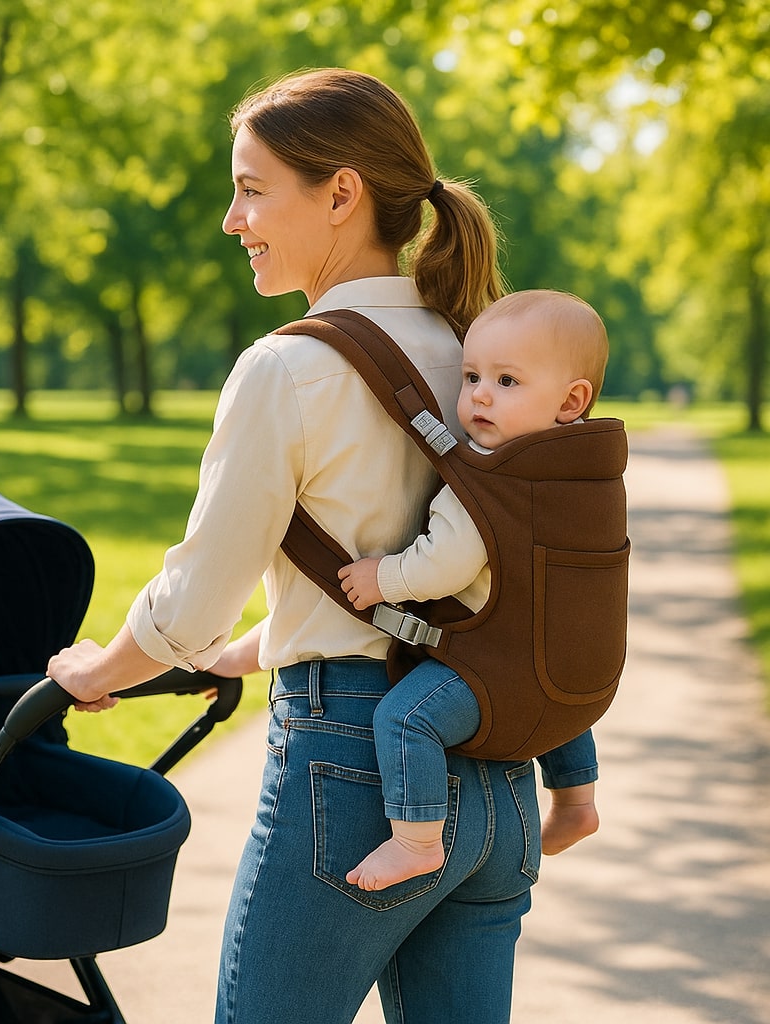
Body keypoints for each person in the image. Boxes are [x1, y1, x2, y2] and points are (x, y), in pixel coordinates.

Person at [47, 68, 569, 1024]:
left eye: (251, 189)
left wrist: (102, 670)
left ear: (340, 194)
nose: (231, 219)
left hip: (354, 768)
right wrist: (248, 650)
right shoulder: (487, 354)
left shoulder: (289, 366)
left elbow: (198, 592)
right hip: (497, 776)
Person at [338, 289, 606, 892]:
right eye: (471, 376)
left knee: (404, 718)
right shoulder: (587, 472)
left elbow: (446, 563)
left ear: (571, 400)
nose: (480, 394)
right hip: (578, 677)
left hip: (498, 673)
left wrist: (384, 576)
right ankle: (576, 803)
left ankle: (416, 842)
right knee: (557, 695)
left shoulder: (488, 480)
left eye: (507, 380)